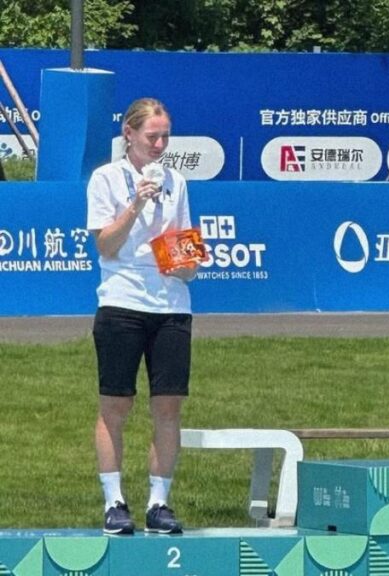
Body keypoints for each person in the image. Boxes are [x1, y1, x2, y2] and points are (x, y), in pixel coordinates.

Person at [87, 98, 197, 535]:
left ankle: (158, 502)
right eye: (152, 135)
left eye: (165, 135)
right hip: (121, 301)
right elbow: (106, 245)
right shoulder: (105, 179)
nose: (159, 143)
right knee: (116, 404)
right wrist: (135, 204)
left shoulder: (177, 181)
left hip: (171, 306)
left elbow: (184, 251)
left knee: (167, 406)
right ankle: (114, 501)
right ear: (128, 134)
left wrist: (188, 262)